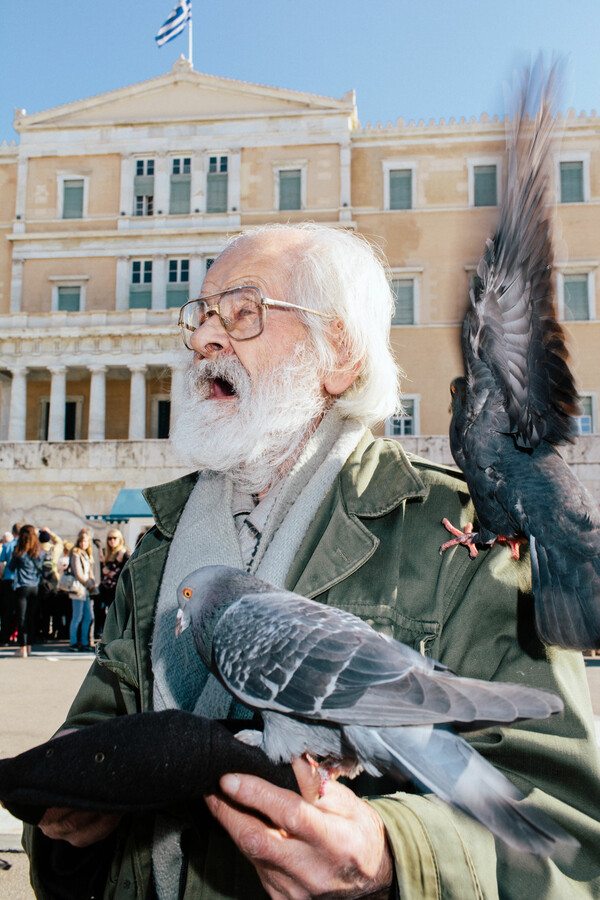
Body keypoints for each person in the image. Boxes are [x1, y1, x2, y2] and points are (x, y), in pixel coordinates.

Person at [25, 225, 600, 899]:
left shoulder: (467, 538)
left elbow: (573, 837)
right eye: (201, 315)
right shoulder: (158, 551)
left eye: (243, 312)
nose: (204, 339)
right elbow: (87, 755)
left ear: (341, 355)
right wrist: (68, 816)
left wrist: (393, 860)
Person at [7, 524, 43, 658]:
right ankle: (29, 647)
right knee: (31, 618)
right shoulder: (39, 551)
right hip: (35, 587)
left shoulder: (18, 551)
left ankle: (22, 648)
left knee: (21, 617)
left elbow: (10, 568)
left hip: (22, 586)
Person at [94, 529, 130, 639]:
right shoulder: (106, 553)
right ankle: (102, 633)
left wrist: (111, 572)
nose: (112, 541)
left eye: (115, 538)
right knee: (99, 610)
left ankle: (116, 635)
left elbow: (127, 572)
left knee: (115, 613)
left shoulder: (124, 553)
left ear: (120, 539)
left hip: (117, 589)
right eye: (109, 538)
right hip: (104, 588)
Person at [67, 529, 97, 652]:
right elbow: (78, 573)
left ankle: (85, 641)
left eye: (85, 541)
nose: (83, 543)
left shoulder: (86, 554)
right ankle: (73, 641)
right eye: (81, 541)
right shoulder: (76, 554)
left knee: (88, 617)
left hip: (86, 590)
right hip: (79, 589)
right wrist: (90, 584)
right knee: (77, 616)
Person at [0, 522, 20, 645]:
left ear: (13, 533)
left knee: (6, 611)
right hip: (22, 581)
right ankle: (23, 639)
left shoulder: (7, 546)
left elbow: (1, 564)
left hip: (8, 579)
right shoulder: (24, 546)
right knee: (21, 612)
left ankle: (5, 638)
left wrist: (1, 576)